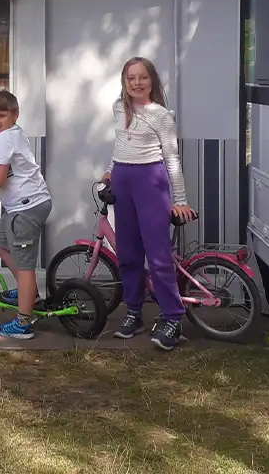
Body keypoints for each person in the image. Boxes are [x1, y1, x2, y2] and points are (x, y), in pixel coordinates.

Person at [101, 56, 196, 351]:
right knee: (128, 253)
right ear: (124, 82)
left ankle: (172, 317)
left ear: (151, 81)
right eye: (131, 78)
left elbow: (172, 158)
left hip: (150, 183)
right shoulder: (118, 109)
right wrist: (110, 169)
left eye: (142, 77)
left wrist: (179, 200)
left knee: (157, 255)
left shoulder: (161, 115)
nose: (137, 83)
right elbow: (120, 143)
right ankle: (133, 312)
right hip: (123, 181)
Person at [0, 90, 52, 340]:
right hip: (24, 206)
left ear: (15, 115)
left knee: (25, 266)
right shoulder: (13, 134)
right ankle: (30, 292)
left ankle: (24, 322)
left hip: (26, 208)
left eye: (1, 115)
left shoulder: (5, 138)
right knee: (0, 241)